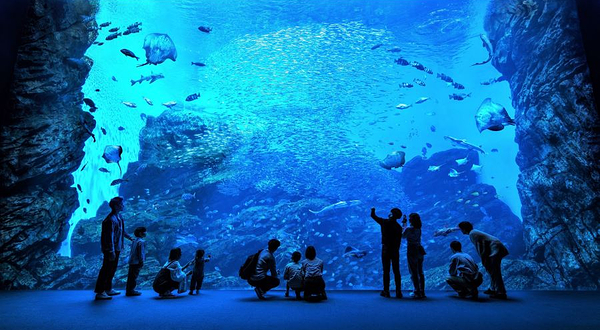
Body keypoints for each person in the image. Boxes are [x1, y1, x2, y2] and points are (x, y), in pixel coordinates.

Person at [94, 197, 133, 300]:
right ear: (116, 206)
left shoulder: (118, 217)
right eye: (121, 204)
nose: (123, 205)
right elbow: (109, 237)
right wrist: (111, 251)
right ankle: (100, 291)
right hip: (111, 249)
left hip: (117, 248)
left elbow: (120, 231)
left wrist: (130, 237)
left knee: (112, 269)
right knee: (106, 269)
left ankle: (108, 288)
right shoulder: (110, 220)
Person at [458, 221, 509, 299]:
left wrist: (484, 260)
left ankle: (501, 292)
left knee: (495, 272)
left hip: (495, 249)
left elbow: (481, 248)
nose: (461, 231)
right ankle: (493, 289)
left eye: (461, 229)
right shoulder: (473, 232)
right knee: (492, 271)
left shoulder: (472, 234)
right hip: (495, 248)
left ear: (464, 229)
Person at [370, 207, 403, 298]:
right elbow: (399, 241)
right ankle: (398, 291)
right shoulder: (398, 227)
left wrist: (373, 210)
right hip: (395, 250)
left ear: (393, 215)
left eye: (391, 213)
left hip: (386, 249)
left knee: (386, 270)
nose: (389, 214)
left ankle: (386, 291)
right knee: (396, 271)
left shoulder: (384, 222)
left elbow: (373, 216)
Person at [402, 213, 426, 298]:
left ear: (411, 220)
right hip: (419, 249)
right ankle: (422, 291)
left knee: (413, 271)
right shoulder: (419, 228)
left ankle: (416, 291)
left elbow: (403, 236)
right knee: (420, 271)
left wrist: (404, 224)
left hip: (412, 250)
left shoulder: (409, 229)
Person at [126, 227, 147, 296]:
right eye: (144, 231)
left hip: (132, 261)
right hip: (137, 262)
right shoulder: (141, 242)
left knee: (130, 276)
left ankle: (129, 290)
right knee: (134, 276)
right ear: (141, 233)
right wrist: (141, 261)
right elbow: (140, 253)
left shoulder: (134, 241)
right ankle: (131, 290)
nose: (146, 233)